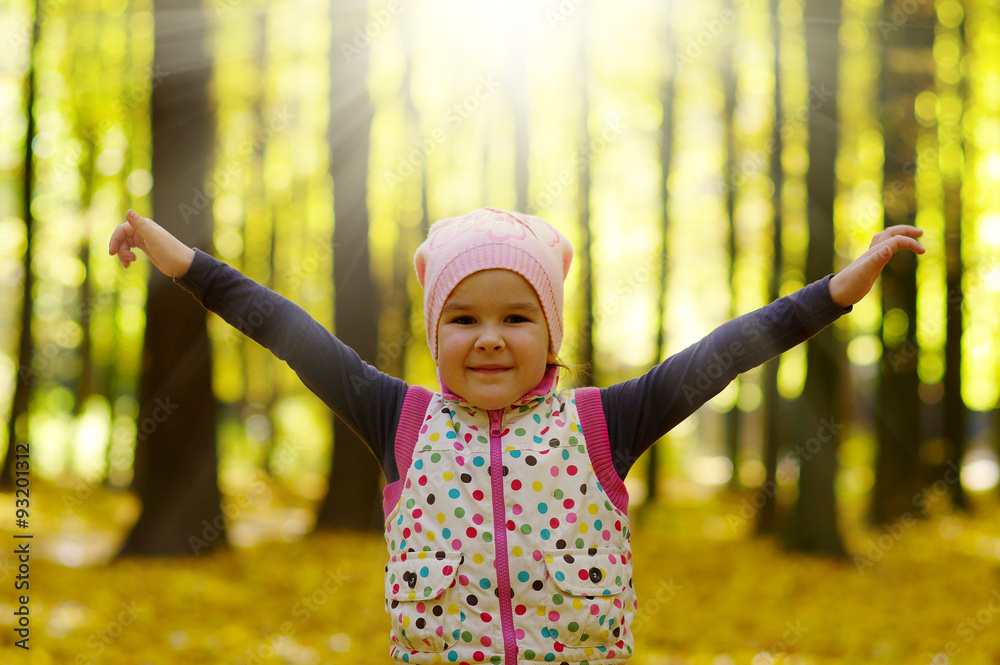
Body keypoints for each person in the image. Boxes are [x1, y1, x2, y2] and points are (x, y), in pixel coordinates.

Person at [110, 206, 923, 664]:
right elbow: (280, 325)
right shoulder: (400, 417)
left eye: (516, 316)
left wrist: (837, 290)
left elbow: (727, 352)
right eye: (463, 318)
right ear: (436, 335)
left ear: (551, 332)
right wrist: (179, 259)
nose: (490, 337)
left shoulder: (606, 422)